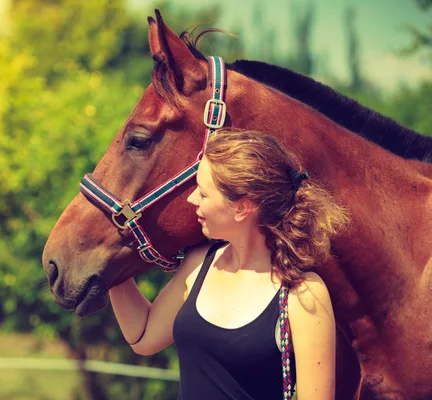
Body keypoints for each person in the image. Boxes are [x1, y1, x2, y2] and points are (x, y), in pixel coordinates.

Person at [109, 129, 348, 400]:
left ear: (241, 208)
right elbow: (144, 337)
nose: (192, 200)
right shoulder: (199, 264)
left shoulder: (302, 294)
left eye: (203, 193)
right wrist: (109, 264)